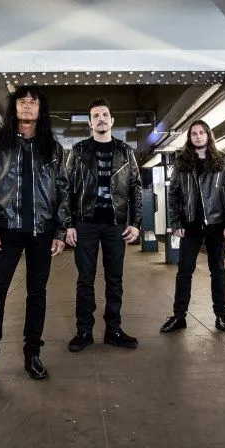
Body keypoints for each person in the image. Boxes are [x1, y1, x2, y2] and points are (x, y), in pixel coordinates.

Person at [0, 85, 70, 388]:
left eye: (32, 102)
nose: (27, 106)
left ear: (40, 110)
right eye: (22, 101)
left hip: (42, 231)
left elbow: (63, 191)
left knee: (37, 294)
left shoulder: (53, 149)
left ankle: (32, 354)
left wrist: (60, 231)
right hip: (7, 231)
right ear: (14, 108)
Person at [64, 98, 142, 352]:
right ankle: (84, 331)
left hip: (115, 225)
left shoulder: (125, 151)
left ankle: (113, 330)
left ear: (112, 120)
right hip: (85, 224)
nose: (101, 119)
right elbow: (66, 188)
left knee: (115, 279)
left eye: (105, 115)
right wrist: (69, 224)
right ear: (90, 122)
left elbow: (135, 188)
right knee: (85, 280)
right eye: (96, 115)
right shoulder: (78, 151)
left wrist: (136, 223)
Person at [160, 120, 225, 334]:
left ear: (208, 135)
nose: (198, 136)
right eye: (193, 133)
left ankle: (221, 315)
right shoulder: (182, 162)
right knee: (184, 271)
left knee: (218, 270)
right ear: (190, 137)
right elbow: (173, 194)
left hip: (217, 224)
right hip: (190, 224)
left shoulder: (223, 159)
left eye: (201, 132)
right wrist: (176, 222)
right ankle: (179, 316)